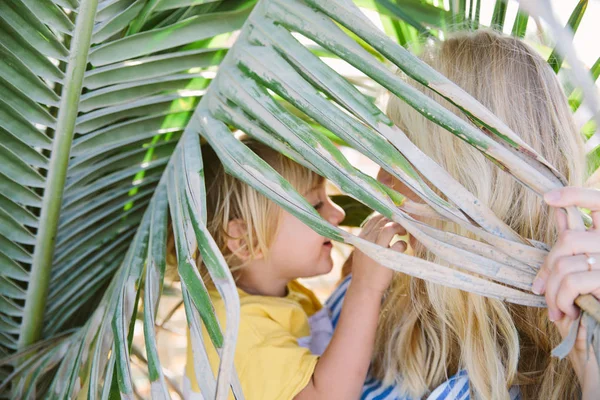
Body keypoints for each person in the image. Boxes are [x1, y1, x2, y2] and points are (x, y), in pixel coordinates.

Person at [330, 30, 600, 399]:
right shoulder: (379, 290)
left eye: (404, 158)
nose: (381, 180)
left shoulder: (569, 356)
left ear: (472, 181)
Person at [174, 137, 405, 399]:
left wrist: (352, 278)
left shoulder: (279, 294)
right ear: (245, 239)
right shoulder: (238, 330)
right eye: (316, 205)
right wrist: (365, 288)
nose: (339, 213)